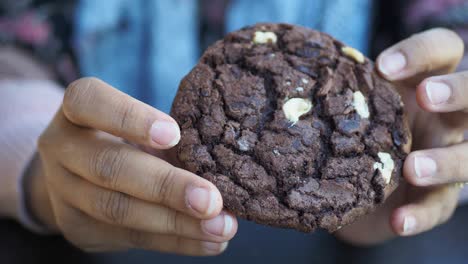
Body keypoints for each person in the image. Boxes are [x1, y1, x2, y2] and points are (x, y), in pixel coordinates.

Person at [1, 0, 468, 260]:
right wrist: (37, 164)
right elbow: (12, 51)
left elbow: (451, 32)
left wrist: (445, 128)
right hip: (93, 242)